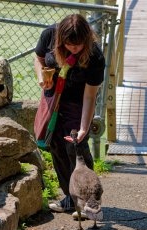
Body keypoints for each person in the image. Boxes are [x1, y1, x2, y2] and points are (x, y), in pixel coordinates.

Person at [34, 14, 105, 217]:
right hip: (53, 100)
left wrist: (84, 127)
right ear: (60, 39)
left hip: (77, 103)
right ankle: (70, 199)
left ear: (87, 40)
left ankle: (90, 202)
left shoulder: (95, 57)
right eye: (68, 44)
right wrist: (41, 78)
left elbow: (90, 97)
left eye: (78, 45)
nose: (73, 49)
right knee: (56, 146)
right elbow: (38, 58)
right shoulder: (49, 35)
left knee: (76, 147)